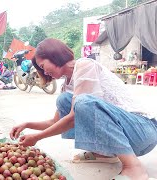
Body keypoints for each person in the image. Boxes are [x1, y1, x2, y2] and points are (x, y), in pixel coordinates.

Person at [9, 38, 157, 180]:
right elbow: (56, 121)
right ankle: (104, 153)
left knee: (82, 102)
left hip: (142, 131)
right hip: (127, 137)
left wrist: (37, 138)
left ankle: (134, 168)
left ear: (53, 54)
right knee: (65, 100)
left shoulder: (85, 65)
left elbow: (73, 117)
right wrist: (27, 125)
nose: (45, 72)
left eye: (42, 66)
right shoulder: (66, 85)